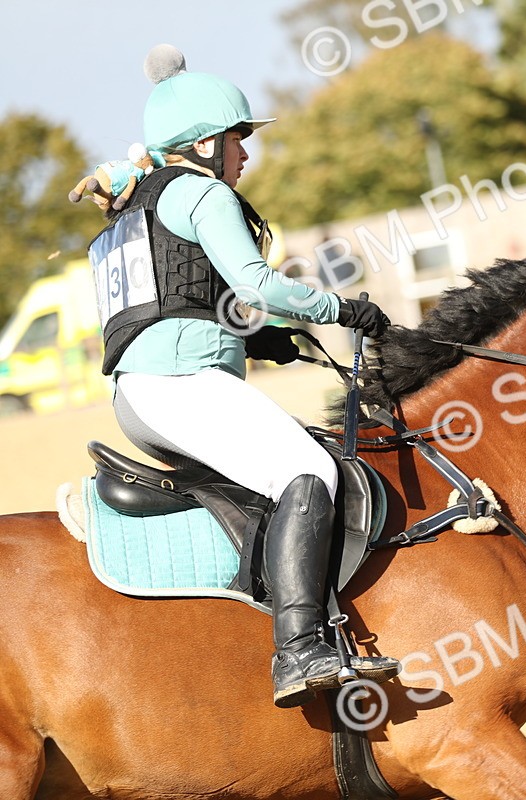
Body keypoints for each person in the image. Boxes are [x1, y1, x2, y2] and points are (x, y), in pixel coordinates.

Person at [82, 44, 398, 708]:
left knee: (274, 476)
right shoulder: (200, 194)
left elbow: (177, 302)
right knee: (310, 472)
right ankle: (299, 651)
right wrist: (340, 308)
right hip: (180, 387)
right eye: (237, 139)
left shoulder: (134, 204)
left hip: (140, 393)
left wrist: (264, 341)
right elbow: (256, 282)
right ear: (201, 144)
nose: (244, 155)